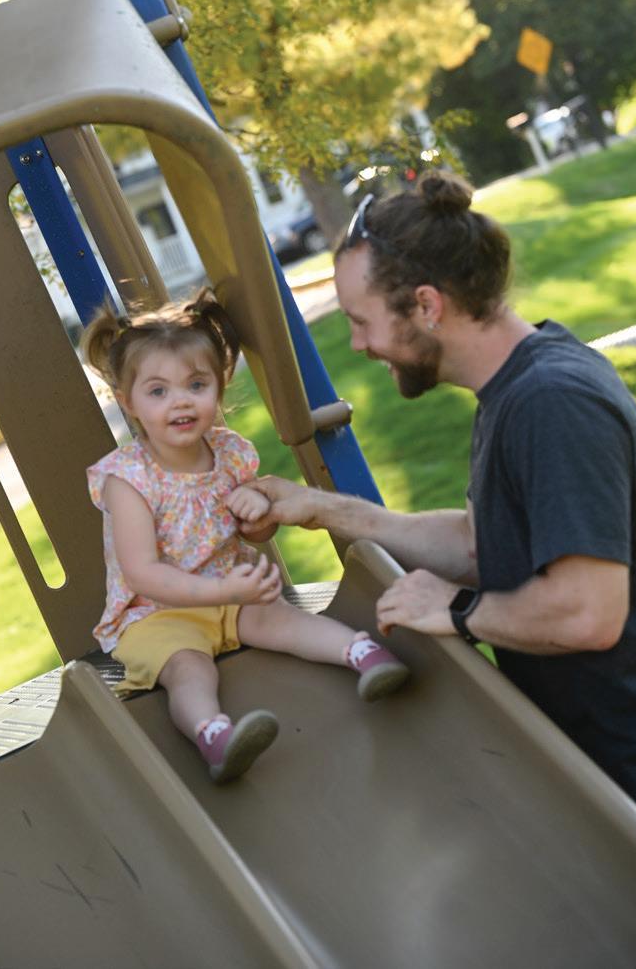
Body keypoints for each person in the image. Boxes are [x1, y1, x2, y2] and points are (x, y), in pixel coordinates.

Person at [243, 172, 636, 832]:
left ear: (426, 305)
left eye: (361, 321)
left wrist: (457, 610)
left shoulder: (552, 402)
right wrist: (324, 508)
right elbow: (479, 544)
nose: (357, 344)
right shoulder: (515, 390)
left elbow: (588, 611)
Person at [82, 289, 408, 785]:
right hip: (156, 614)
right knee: (190, 669)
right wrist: (222, 590)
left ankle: (364, 655)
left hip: (229, 596)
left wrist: (258, 515)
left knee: (282, 621)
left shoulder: (230, 453)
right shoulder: (128, 479)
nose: (181, 401)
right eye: (158, 391)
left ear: (219, 385)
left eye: (196, 384)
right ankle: (214, 735)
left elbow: (254, 533)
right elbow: (142, 573)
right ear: (128, 402)